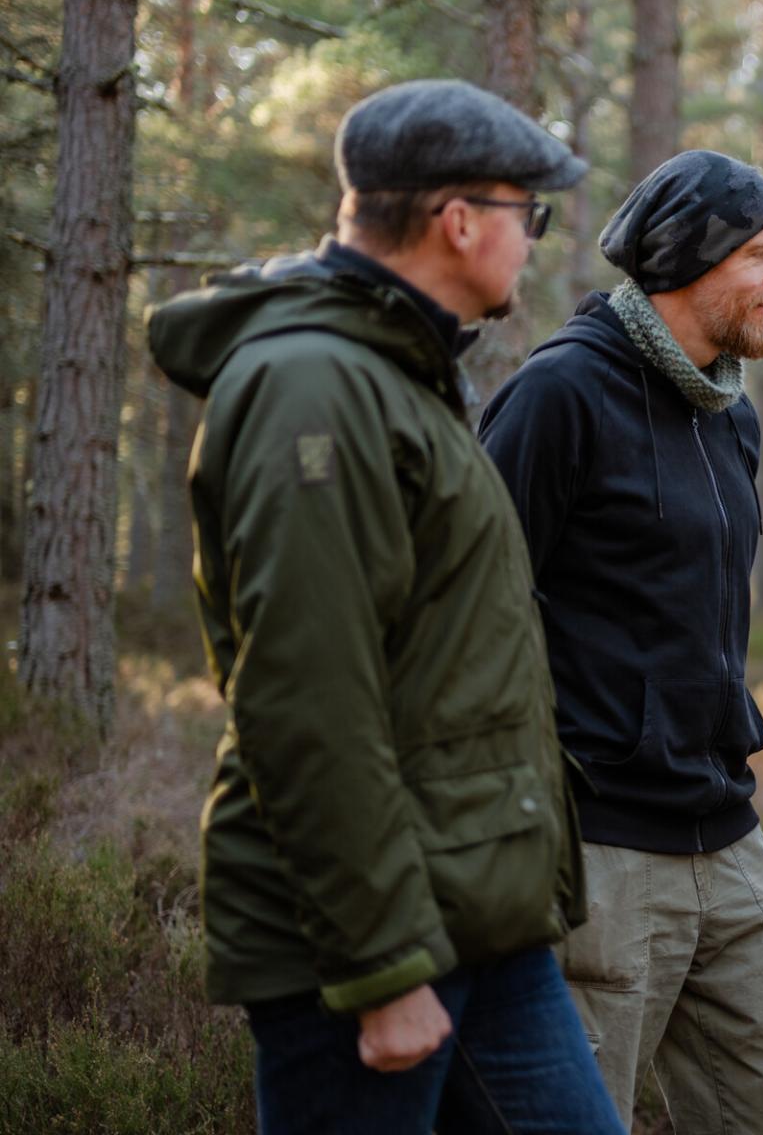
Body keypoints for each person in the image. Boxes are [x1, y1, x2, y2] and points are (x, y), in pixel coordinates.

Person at [146, 79, 623, 1135]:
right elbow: (306, 698)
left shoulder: (399, 374)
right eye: (526, 214)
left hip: (476, 916)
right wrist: (379, 963)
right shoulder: (313, 386)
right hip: (374, 938)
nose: (534, 242)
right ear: (460, 220)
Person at [478, 149, 763, 1133]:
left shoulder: (727, 415)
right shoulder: (560, 395)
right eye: (762, 254)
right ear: (690, 259)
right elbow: (468, 615)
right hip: (602, 849)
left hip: (730, 833)